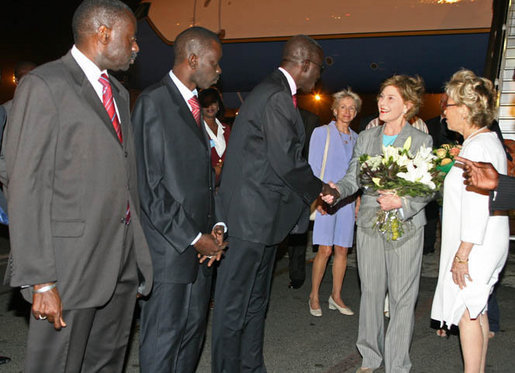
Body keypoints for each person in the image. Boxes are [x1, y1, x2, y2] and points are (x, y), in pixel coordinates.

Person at [1, 1, 153, 372]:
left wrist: (135, 254)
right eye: (130, 38)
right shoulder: (45, 85)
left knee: (106, 363)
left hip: (118, 262)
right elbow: (24, 184)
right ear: (103, 34)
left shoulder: (117, 93)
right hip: (68, 268)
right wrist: (40, 280)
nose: (136, 48)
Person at [212, 34, 339, 372]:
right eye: (318, 70)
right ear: (306, 64)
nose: (318, 78)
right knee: (234, 305)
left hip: (261, 220)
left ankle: (252, 366)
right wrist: (321, 188)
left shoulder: (274, 92)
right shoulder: (277, 97)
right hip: (250, 220)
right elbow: (285, 160)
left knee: (255, 302)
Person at [131, 26, 226, 373]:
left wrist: (215, 227)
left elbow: (200, 180)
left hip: (199, 254)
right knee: (162, 342)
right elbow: (150, 187)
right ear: (193, 59)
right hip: (170, 253)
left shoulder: (194, 106)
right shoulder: (155, 102)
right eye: (214, 63)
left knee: (190, 339)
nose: (219, 71)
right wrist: (193, 237)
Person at [323, 75, 432, 373]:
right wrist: (337, 191)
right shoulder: (367, 137)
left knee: (402, 298)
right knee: (371, 293)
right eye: (381, 97)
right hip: (370, 224)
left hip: (407, 227)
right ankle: (370, 356)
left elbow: (428, 187)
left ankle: (397, 364)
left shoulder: (422, 139)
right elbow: (352, 177)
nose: (382, 103)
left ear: (407, 105)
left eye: (390, 98)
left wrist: (403, 202)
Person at [431, 70, 509, 373]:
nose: (444, 113)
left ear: (464, 110)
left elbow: (477, 205)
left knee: (468, 315)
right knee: (478, 310)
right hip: (488, 241)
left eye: (447, 106)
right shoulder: (486, 141)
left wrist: (462, 256)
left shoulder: (477, 148)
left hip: (476, 246)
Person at [308, 89, 360, 317]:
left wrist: (357, 199)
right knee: (325, 250)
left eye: (352, 108)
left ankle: (336, 296)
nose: (347, 112)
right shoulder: (322, 133)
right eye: (343, 107)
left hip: (347, 202)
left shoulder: (358, 138)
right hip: (326, 200)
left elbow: (359, 174)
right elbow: (312, 167)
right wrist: (318, 198)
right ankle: (314, 295)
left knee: (342, 250)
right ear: (335, 109)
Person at [287, 108, 320, 290]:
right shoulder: (273, 112)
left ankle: (297, 275)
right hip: (276, 184)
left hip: (301, 184)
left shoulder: (311, 118)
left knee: (298, 234)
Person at [199, 87, 231, 187]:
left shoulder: (226, 128)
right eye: (206, 104)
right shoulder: (196, 131)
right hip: (205, 187)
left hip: (227, 185)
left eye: (213, 102)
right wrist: (214, 171)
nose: (210, 107)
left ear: (218, 105)